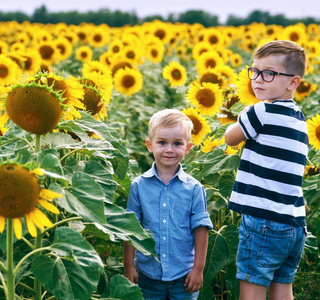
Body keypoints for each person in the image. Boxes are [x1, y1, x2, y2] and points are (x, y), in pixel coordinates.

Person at [224, 40, 309, 300]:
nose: (258, 80)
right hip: (294, 224)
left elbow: (230, 138)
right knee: (282, 291)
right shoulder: (300, 118)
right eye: (255, 71)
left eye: (269, 73)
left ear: (293, 82)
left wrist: (244, 112)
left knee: (252, 289)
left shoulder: (261, 111)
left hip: (263, 220)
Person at [123, 108, 213, 300]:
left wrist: (198, 269)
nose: (169, 149)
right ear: (149, 145)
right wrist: (129, 266)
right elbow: (130, 227)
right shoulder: (138, 186)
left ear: (187, 148)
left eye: (177, 143)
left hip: (184, 276)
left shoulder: (194, 189)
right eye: (162, 142)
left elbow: (201, 229)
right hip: (148, 275)